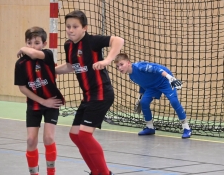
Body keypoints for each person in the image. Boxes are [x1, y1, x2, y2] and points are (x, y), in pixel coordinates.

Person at [55, 10, 124, 175]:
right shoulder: (68, 45)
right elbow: (71, 66)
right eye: (68, 27)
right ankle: (96, 171)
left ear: (84, 28)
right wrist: (52, 71)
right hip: (88, 96)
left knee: (85, 135)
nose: (71, 30)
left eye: (75, 27)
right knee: (75, 135)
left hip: (101, 93)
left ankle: (104, 173)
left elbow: (118, 40)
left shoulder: (92, 41)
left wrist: (107, 60)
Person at [14, 26, 64, 175]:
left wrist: (24, 48)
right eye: (29, 43)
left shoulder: (47, 55)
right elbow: (22, 88)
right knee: (30, 140)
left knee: (48, 138)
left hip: (52, 102)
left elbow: (34, 53)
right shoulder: (21, 64)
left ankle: (51, 172)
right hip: (35, 104)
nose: (32, 46)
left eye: (36, 42)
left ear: (44, 44)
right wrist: (42, 101)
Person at [114, 53, 192, 139]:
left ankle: (186, 128)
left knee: (174, 101)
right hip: (152, 86)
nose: (119, 68)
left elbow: (157, 69)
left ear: (128, 62)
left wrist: (170, 78)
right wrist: (140, 98)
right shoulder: (131, 76)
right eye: (117, 66)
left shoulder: (140, 67)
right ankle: (150, 128)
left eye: (121, 64)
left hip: (164, 80)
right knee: (144, 102)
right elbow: (143, 84)